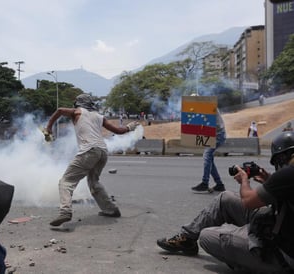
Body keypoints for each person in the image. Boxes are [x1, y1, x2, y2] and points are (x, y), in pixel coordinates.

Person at [156, 131, 294, 273]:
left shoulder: (289, 173)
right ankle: (186, 238)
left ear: (283, 157)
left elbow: (248, 201)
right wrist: (268, 179)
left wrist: (244, 180)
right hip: (279, 225)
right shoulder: (287, 176)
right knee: (225, 198)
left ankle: (251, 263)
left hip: (284, 256)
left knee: (207, 236)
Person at [44, 93, 139, 226]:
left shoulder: (77, 112)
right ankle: (111, 209)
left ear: (78, 103)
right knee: (94, 182)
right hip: (102, 152)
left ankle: (65, 211)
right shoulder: (100, 117)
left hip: (89, 151)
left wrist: (49, 127)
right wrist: (129, 127)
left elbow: (59, 110)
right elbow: (118, 130)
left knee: (66, 181)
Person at [191, 97, 227, 193]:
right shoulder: (205, 108)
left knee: (207, 156)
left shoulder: (208, 107)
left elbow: (208, 124)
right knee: (209, 159)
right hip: (215, 135)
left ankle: (205, 183)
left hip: (218, 135)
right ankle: (219, 184)